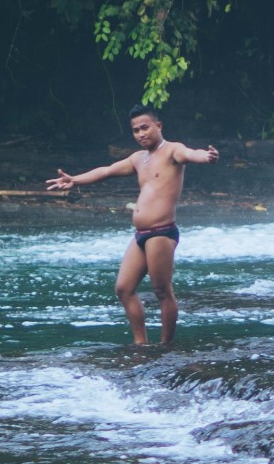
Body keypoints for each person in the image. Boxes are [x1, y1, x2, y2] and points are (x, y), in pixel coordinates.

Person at [45, 105, 220, 346]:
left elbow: (191, 153)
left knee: (162, 291)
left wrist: (207, 157)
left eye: (145, 127)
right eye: (136, 130)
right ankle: (141, 344)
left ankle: (165, 346)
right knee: (123, 289)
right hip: (140, 234)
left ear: (159, 126)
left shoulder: (172, 151)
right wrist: (74, 180)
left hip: (161, 232)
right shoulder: (139, 159)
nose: (140, 134)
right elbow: (106, 170)